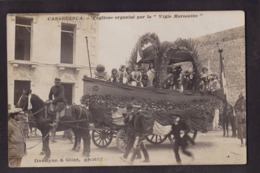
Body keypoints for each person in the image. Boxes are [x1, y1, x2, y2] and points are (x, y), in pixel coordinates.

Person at [49, 78, 67, 142]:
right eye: (56, 82)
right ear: (54, 82)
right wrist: (50, 100)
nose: (57, 83)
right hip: (54, 102)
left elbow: (61, 97)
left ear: (60, 83)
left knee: (57, 109)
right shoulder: (52, 88)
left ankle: (56, 121)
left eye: (58, 82)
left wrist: (53, 101)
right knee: (48, 108)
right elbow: (50, 95)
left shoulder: (62, 88)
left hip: (61, 102)